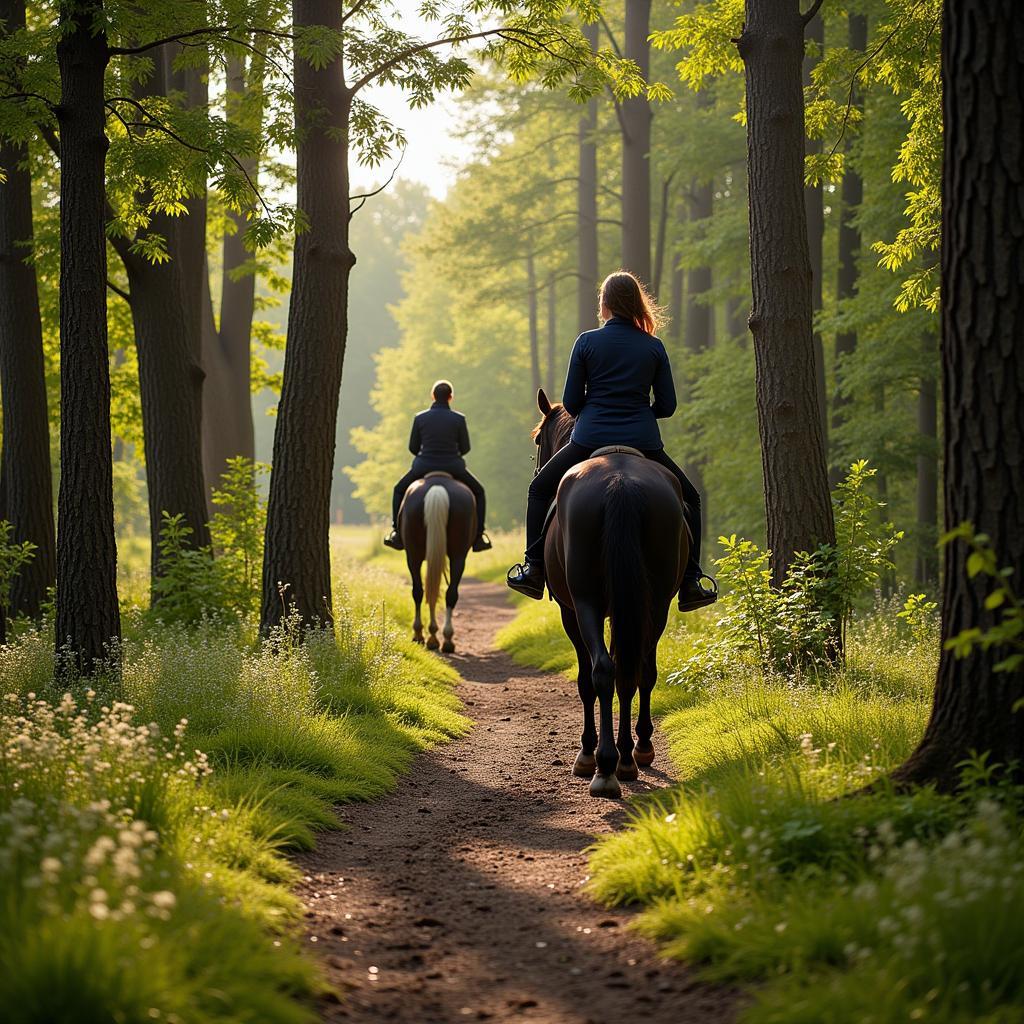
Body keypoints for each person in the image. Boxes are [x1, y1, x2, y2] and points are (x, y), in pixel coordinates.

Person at [506, 271, 717, 612]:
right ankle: (692, 580)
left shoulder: (586, 342)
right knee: (690, 497)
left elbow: (571, 403)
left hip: (589, 439)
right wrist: (638, 409)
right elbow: (668, 406)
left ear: (604, 304)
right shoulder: (653, 346)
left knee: (539, 489)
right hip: (644, 441)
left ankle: (533, 568)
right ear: (636, 303)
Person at [384, 380, 492, 552]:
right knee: (479, 492)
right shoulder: (458, 419)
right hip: (453, 466)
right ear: (450, 397)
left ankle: (396, 533)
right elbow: (466, 448)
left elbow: (413, 447)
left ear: (433, 396)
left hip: (423, 466)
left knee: (398, 489)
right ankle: (479, 536)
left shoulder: (420, 418)